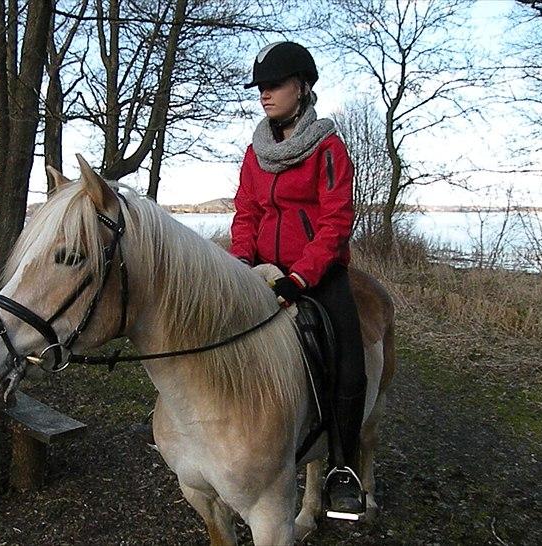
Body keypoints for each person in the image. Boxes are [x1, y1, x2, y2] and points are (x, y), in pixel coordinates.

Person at [229, 41, 367, 519]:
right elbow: (245, 211)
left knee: (348, 360)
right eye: (260, 87)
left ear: (303, 88)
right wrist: (242, 261)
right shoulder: (255, 151)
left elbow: (335, 222)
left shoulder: (328, 147)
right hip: (261, 269)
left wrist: (299, 277)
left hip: (318, 273)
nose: (264, 94)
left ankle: (341, 469)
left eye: (275, 85)